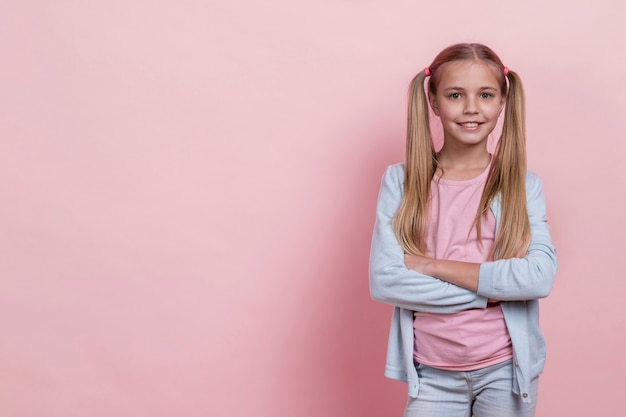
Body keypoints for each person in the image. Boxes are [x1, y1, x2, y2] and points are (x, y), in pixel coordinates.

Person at [369, 43, 558, 417]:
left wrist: (431, 265)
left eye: (485, 95)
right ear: (435, 103)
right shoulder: (401, 181)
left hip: (505, 369)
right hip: (432, 372)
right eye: (456, 95)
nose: (471, 108)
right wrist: (489, 292)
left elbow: (538, 277)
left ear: (502, 101)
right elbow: (386, 281)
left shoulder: (521, 185)